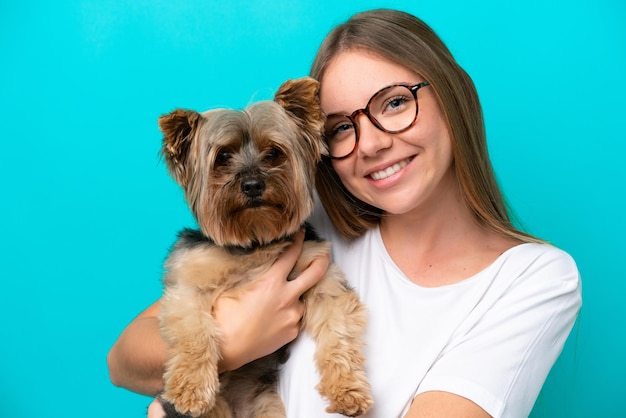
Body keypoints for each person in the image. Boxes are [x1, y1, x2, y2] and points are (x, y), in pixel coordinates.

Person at [108, 8, 582, 418]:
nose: (372, 143)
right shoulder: (299, 223)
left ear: (454, 94)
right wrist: (234, 342)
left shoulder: (534, 280)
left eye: (395, 102)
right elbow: (124, 360)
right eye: (340, 128)